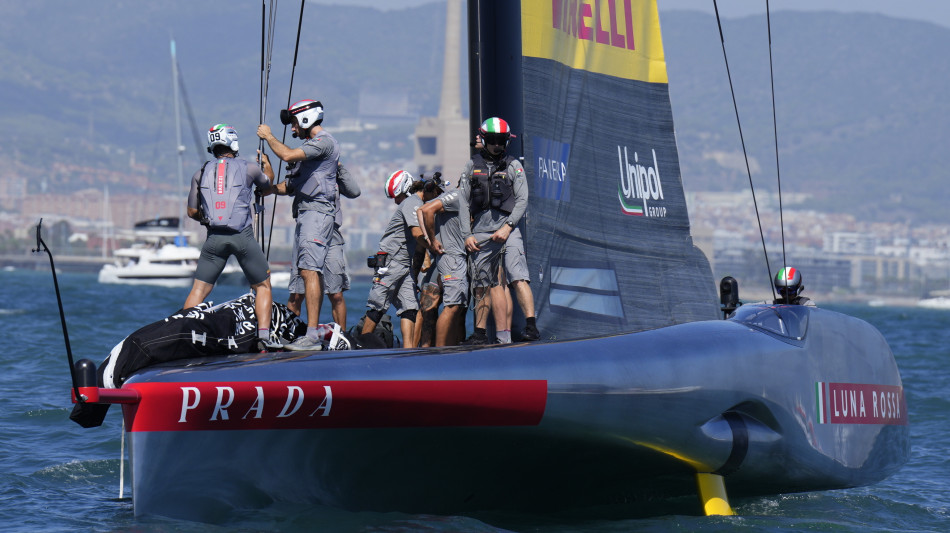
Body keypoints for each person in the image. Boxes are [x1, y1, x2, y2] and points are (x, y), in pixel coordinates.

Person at [183, 124, 280, 350]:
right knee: (263, 286)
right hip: (242, 237)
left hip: (213, 239)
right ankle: (263, 338)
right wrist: (267, 165)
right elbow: (267, 187)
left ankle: (182, 331)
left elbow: (191, 211)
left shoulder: (200, 171)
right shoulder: (250, 168)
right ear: (233, 143)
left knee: (199, 290)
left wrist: (208, 219)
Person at [257, 99, 340, 351]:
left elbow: (287, 154)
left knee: (309, 271)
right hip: (304, 215)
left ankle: (312, 336)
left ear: (306, 119)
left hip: (317, 214)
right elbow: (289, 187)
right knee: (300, 277)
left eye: (294, 123)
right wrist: (268, 186)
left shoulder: (324, 142)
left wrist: (268, 136)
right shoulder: (309, 151)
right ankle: (298, 333)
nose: (293, 129)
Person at [458, 117, 536, 345]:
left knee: (517, 275)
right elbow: (463, 202)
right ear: (483, 139)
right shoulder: (471, 166)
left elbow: (522, 200)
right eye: (492, 140)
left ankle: (531, 325)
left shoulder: (514, 166)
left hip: (508, 230)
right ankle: (480, 333)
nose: (497, 145)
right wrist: (466, 234)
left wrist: (508, 226)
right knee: (482, 282)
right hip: (480, 232)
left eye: (501, 140)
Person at [358, 170, 438, 348]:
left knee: (409, 308)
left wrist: (426, 253)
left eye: (397, 196)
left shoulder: (413, 202)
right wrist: (435, 247)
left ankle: (407, 349)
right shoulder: (412, 203)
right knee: (378, 306)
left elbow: (417, 237)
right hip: (392, 261)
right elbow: (417, 234)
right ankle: (361, 345)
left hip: (403, 264)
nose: (395, 201)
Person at [286, 161, 360, 329]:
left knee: (336, 294)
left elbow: (354, 191)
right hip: (307, 230)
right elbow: (289, 188)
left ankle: (341, 337)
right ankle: (288, 333)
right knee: (297, 294)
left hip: (331, 232)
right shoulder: (303, 165)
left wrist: (339, 167)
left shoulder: (332, 171)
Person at [416, 174, 466, 347]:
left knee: (447, 309)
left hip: (442, 260)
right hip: (450, 257)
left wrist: (431, 243)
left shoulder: (446, 199)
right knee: (452, 307)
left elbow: (421, 211)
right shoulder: (456, 196)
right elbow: (424, 211)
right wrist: (431, 241)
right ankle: (442, 351)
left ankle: (435, 350)